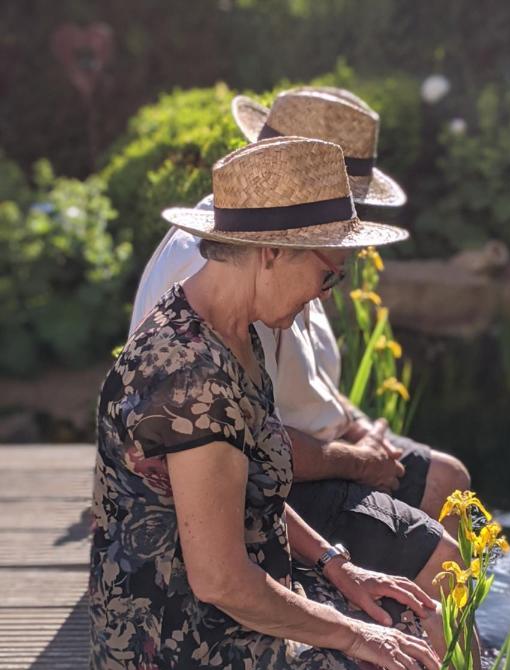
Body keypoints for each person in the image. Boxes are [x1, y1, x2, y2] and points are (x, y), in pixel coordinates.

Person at [90, 140, 481, 670]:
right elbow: (220, 581)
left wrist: (338, 566)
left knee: (422, 622)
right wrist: (354, 636)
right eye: (324, 275)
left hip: (205, 622)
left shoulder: (229, 333)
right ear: (269, 252)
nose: (323, 297)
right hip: (181, 669)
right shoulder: (191, 380)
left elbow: (258, 485)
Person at [129, 86, 472, 616]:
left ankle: (433, 651)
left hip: (303, 454)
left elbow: (303, 383)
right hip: (270, 481)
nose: (351, 226)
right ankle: (425, 658)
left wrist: (356, 425)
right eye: (342, 198)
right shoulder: (232, 272)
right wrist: (357, 463)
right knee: (437, 550)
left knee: (450, 481)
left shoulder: (289, 254)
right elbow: (242, 445)